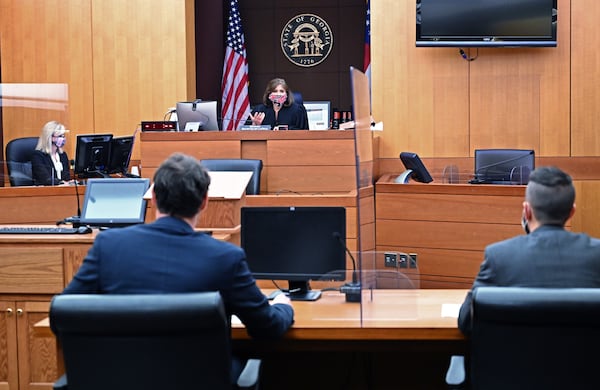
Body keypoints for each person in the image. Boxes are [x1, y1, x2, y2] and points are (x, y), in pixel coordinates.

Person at [62, 152, 294, 382]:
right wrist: (283, 306)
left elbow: (65, 314)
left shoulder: (108, 246)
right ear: (204, 202)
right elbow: (267, 328)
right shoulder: (226, 258)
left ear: (153, 198)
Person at [458, 166, 600, 335]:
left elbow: (466, 320)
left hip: (512, 361)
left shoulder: (500, 256)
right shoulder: (596, 255)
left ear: (526, 211)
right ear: (572, 212)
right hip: (584, 361)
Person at [31, 121, 71, 185]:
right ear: (50, 137)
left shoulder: (63, 155)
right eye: (60, 136)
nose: (63, 139)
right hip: (46, 192)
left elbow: (67, 177)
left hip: (63, 190)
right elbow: (46, 179)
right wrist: (61, 183)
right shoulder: (38, 156)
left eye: (63, 136)